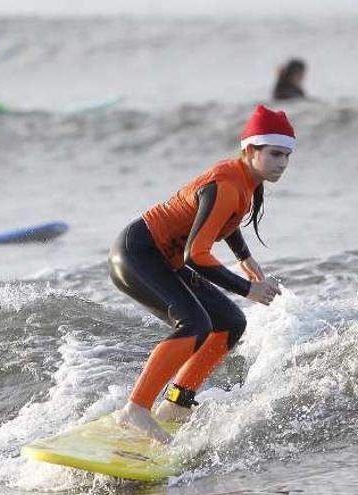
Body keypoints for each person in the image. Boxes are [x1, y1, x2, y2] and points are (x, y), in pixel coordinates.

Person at [107, 105, 294, 444]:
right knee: (194, 323)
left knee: (230, 323)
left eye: (287, 155)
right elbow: (196, 254)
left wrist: (243, 256)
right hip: (138, 254)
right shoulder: (225, 182)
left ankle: (176, 404)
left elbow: (228, 219)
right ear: (250, 150)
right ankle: (135, 409)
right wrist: (247, 289)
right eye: (275, 153)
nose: (282, 163)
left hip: (165, 260)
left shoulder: (246, 181)